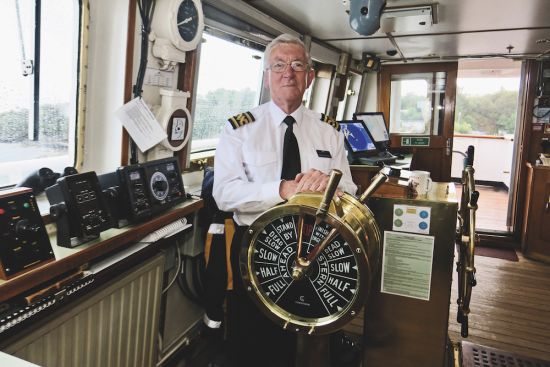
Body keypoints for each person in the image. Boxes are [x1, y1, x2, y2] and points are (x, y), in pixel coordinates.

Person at [212, 33, 357, 366]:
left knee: (313, 333)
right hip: (256, 246)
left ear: (308, 76)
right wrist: (281, 190)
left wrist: (329, 186)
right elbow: (223, 194)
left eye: (296, 65)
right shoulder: (239, 129)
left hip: (316, 247)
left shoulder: (329, 130)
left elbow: (350, 190)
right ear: (267, 76)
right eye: (278, 65)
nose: (287, 73)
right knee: (253, 337)